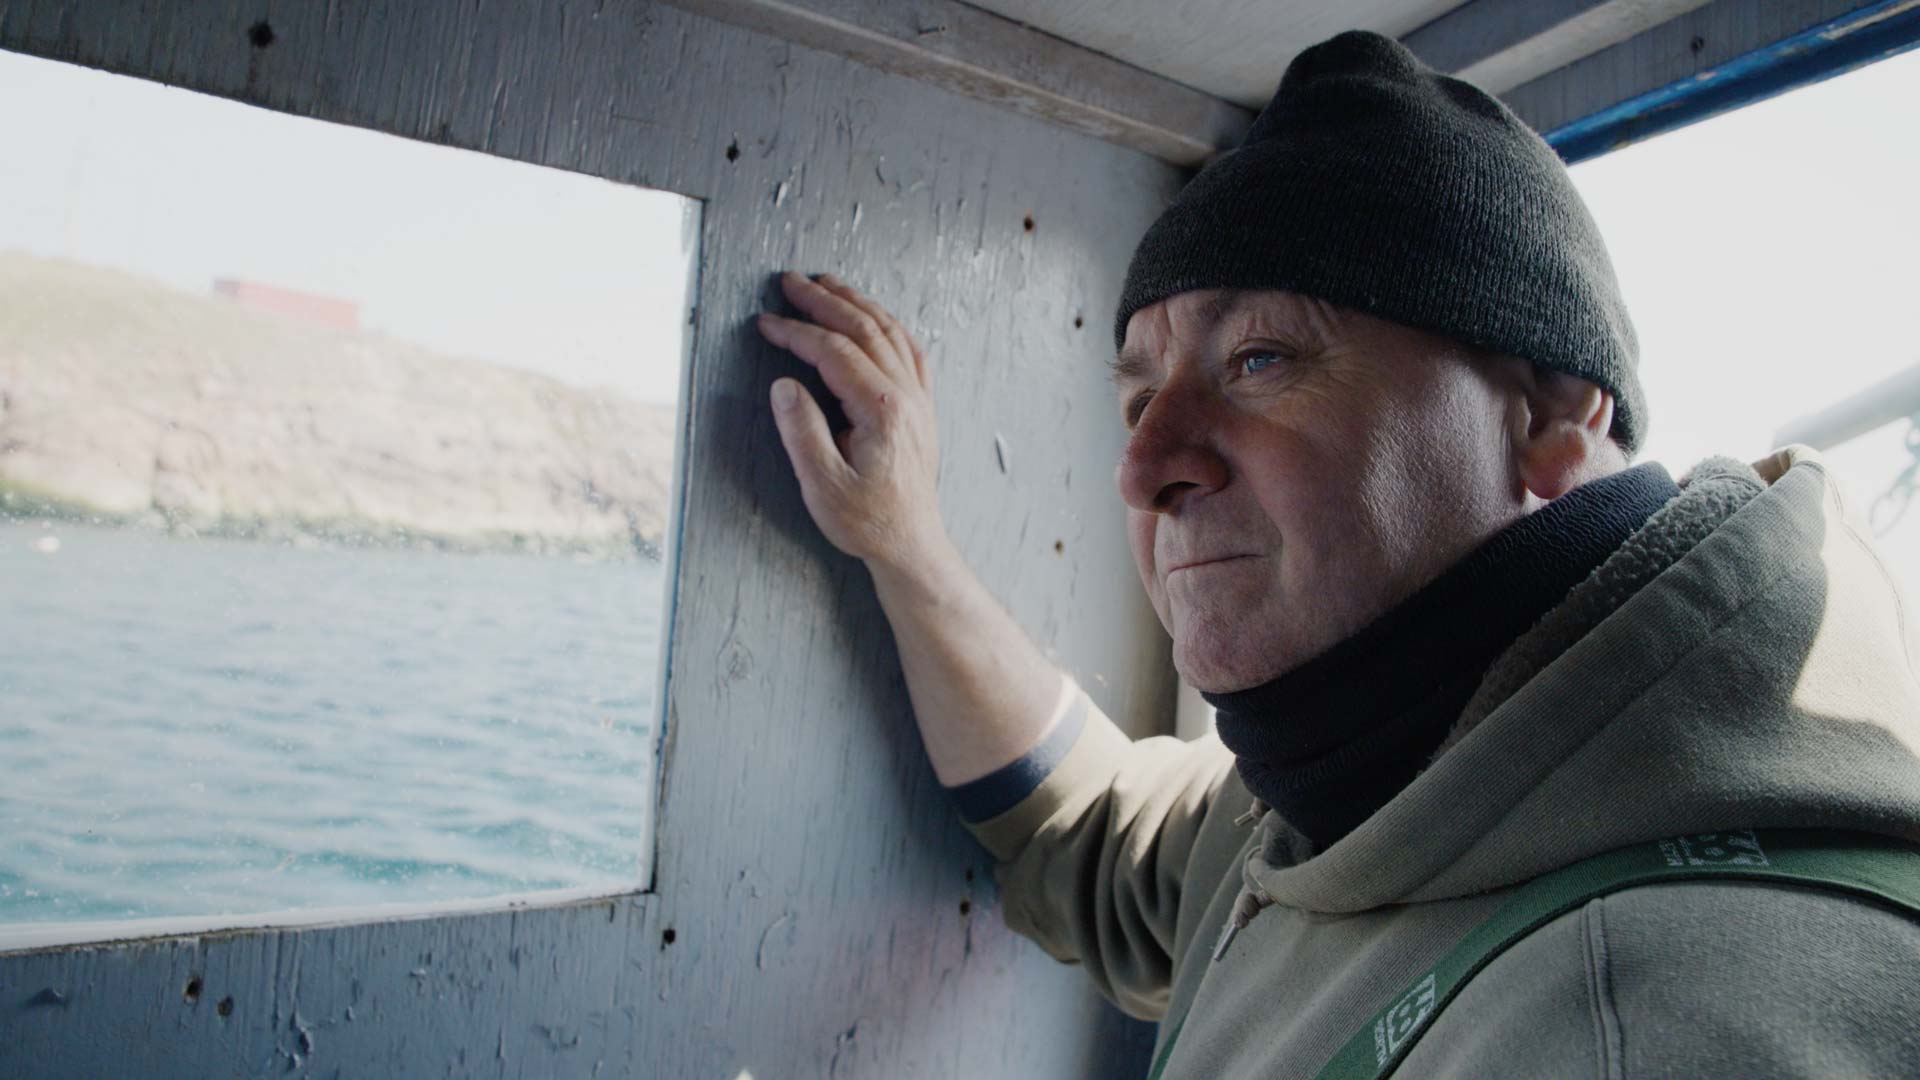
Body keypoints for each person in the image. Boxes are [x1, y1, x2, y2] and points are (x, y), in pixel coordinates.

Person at [754, 29, 1920, 1079]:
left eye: (1260, 359)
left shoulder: (1655, 1027)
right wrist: (902, 545)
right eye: (1139, 393)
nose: (1145, 465)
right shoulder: (1354, 784)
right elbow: (1100, 831)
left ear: (1553, 413)